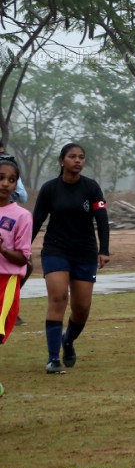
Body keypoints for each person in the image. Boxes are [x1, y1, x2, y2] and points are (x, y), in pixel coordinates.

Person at [31, 143, 110, 374]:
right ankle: (53, 358)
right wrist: (23, 247)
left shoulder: (92, 188)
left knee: (82, 308)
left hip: (84, 252)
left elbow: (102, 219)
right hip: (56, 250)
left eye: (81, 157)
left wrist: (104, 249)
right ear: (62, 161)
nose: (77, 160)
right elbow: (36, 220)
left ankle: (68, 341)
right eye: (72, 156)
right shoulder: (49, 189)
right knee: (58, 299)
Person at [0, 158, 33, 398]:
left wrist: (2, 249)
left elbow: (23, 258)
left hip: (6, 281)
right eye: (1, 178)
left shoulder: (21, 216)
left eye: (11, 180)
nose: (5, 184)